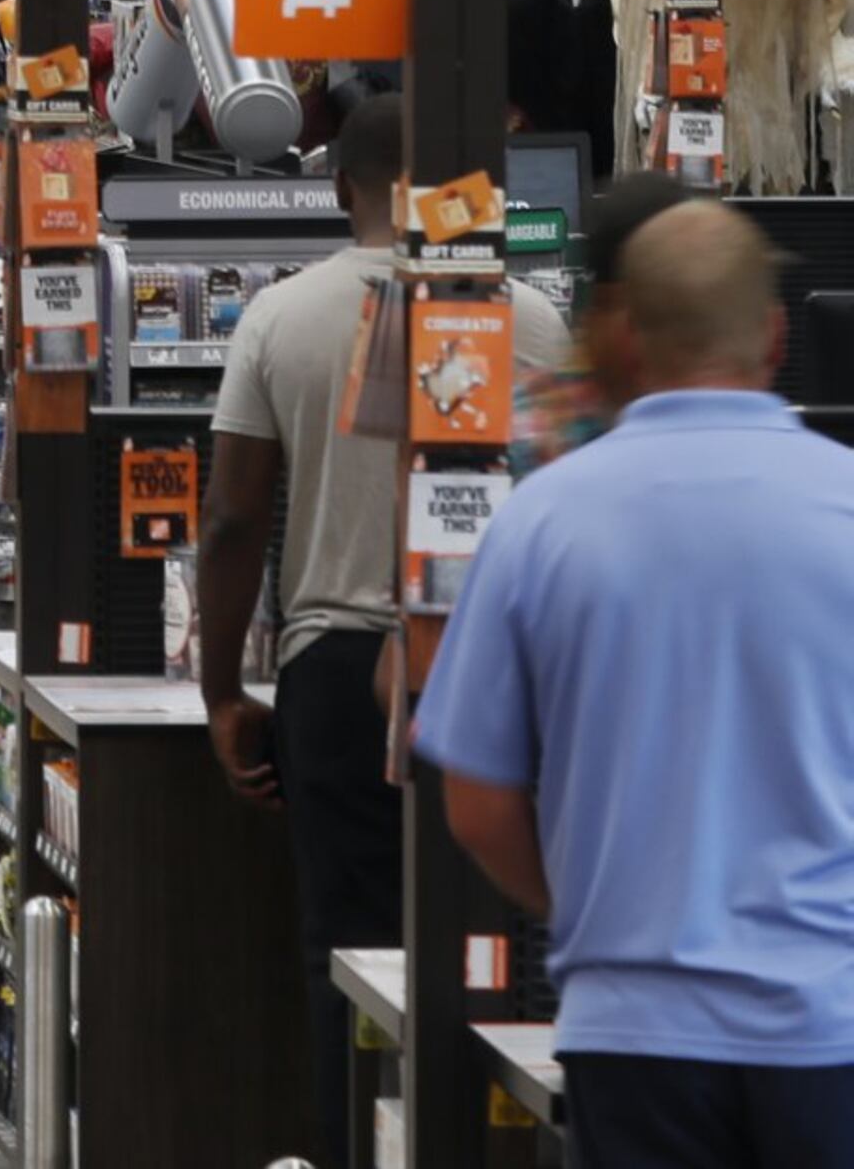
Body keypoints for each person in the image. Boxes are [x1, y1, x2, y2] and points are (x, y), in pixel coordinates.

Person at [414, 195, 854, 1167]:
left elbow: (477, 803)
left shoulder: (540, 521)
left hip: (631, 1027)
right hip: (829, 1025)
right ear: (774, 334)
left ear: (627, 338)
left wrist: (593, 909)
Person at [196, 94, 568, 1168]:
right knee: (502, 950)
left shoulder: (281, 317)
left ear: (337, 188)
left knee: (350, 955)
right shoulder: (531, 319)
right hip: (498, 666)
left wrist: (223, 692)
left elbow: (232, 519)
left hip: (337, 668)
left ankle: (356, 1146)